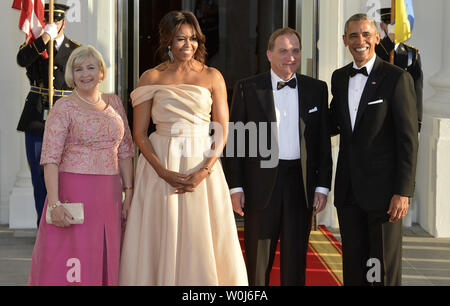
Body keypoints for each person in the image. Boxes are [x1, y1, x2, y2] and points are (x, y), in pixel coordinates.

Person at [119, 10, 247, 286]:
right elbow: (139, 134)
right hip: (159, 163)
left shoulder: (213, 76)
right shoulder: (150, 78)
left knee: (201, 232)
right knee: (160, 231)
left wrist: (205, 171)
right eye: (180, 39)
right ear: (167, 41)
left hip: (203, 161)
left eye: (193, 38)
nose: (188, 45)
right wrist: (161, 171)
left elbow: (222, 129)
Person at [223, 27, 332, 286]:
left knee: (296, 260)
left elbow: (322, 143)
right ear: (269, 54)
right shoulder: (247, 88)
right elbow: (236, 142)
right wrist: (235, 187)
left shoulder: (316, 88)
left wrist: (323, 186)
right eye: (283, 51)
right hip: (260, 185)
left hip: (301, 183)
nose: (290, 57)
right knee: (257, 263)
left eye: (295, 51)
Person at [28, 45, 134, 286]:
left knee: (107, 255)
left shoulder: (115, 103)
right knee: (72, 262)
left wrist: (130, 193)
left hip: (109, 195)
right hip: (73, 194)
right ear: (71, 75)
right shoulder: (63, 108)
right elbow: (50, 159)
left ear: (101, 72)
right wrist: (54, 204)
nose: (85, 74)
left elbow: (126, 150)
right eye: (78, 69)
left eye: (90, 67)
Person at [329, 13, 418, 286]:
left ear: (377, 37)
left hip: (384, 195)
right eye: (353, 35)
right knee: (354, 268)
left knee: (381, 270)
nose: (360, 41)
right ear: (344, 40)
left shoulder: (396, 78)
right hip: (348, 193)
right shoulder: (340, 77)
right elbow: (332, 122)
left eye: (366, 34)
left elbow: (407, 139)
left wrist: (403, 191)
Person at [16, 3, 80, 226]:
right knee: (39, 176)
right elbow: (21, 60)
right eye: (48, 22)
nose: (53, 25)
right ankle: (43, 226)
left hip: (67, 116)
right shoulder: (35, 46)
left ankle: (66, 222)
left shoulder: (76, 50)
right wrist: (43, 38)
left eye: (57, 22)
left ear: (64, 21)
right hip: (37, 118)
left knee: (68, 176)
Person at [375, 7, 423, 132]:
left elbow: (417, 88)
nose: (394, 27)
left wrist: (417, 120)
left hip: (403, 112)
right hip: (379, 113)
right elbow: (377, 57)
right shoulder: (375, 49)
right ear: (382, 26)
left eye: (397, 24)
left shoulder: (411, 53)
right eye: (390, 24)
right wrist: (390, 40)